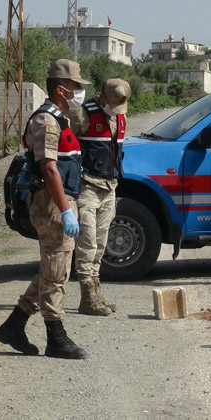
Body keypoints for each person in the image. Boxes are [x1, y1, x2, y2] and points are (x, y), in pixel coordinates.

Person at [0, 59, 90, 360]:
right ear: (61, 89)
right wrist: (65, 210)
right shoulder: (46, 121)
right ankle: (55, 336)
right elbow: (49, 169)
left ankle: (14, 325)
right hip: (51, 205)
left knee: (53, 268)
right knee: (56, 272)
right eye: (75, 87)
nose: (79, 92)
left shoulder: (60, 118)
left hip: (59, 203)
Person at [71, 78, 130, 316]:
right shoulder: (82, 116)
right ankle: (86, 296)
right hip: (87, 187)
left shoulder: (121, 117)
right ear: (102, 97)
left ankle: (95, 292)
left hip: (109, 187)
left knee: (101, 242)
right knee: (87, 241)